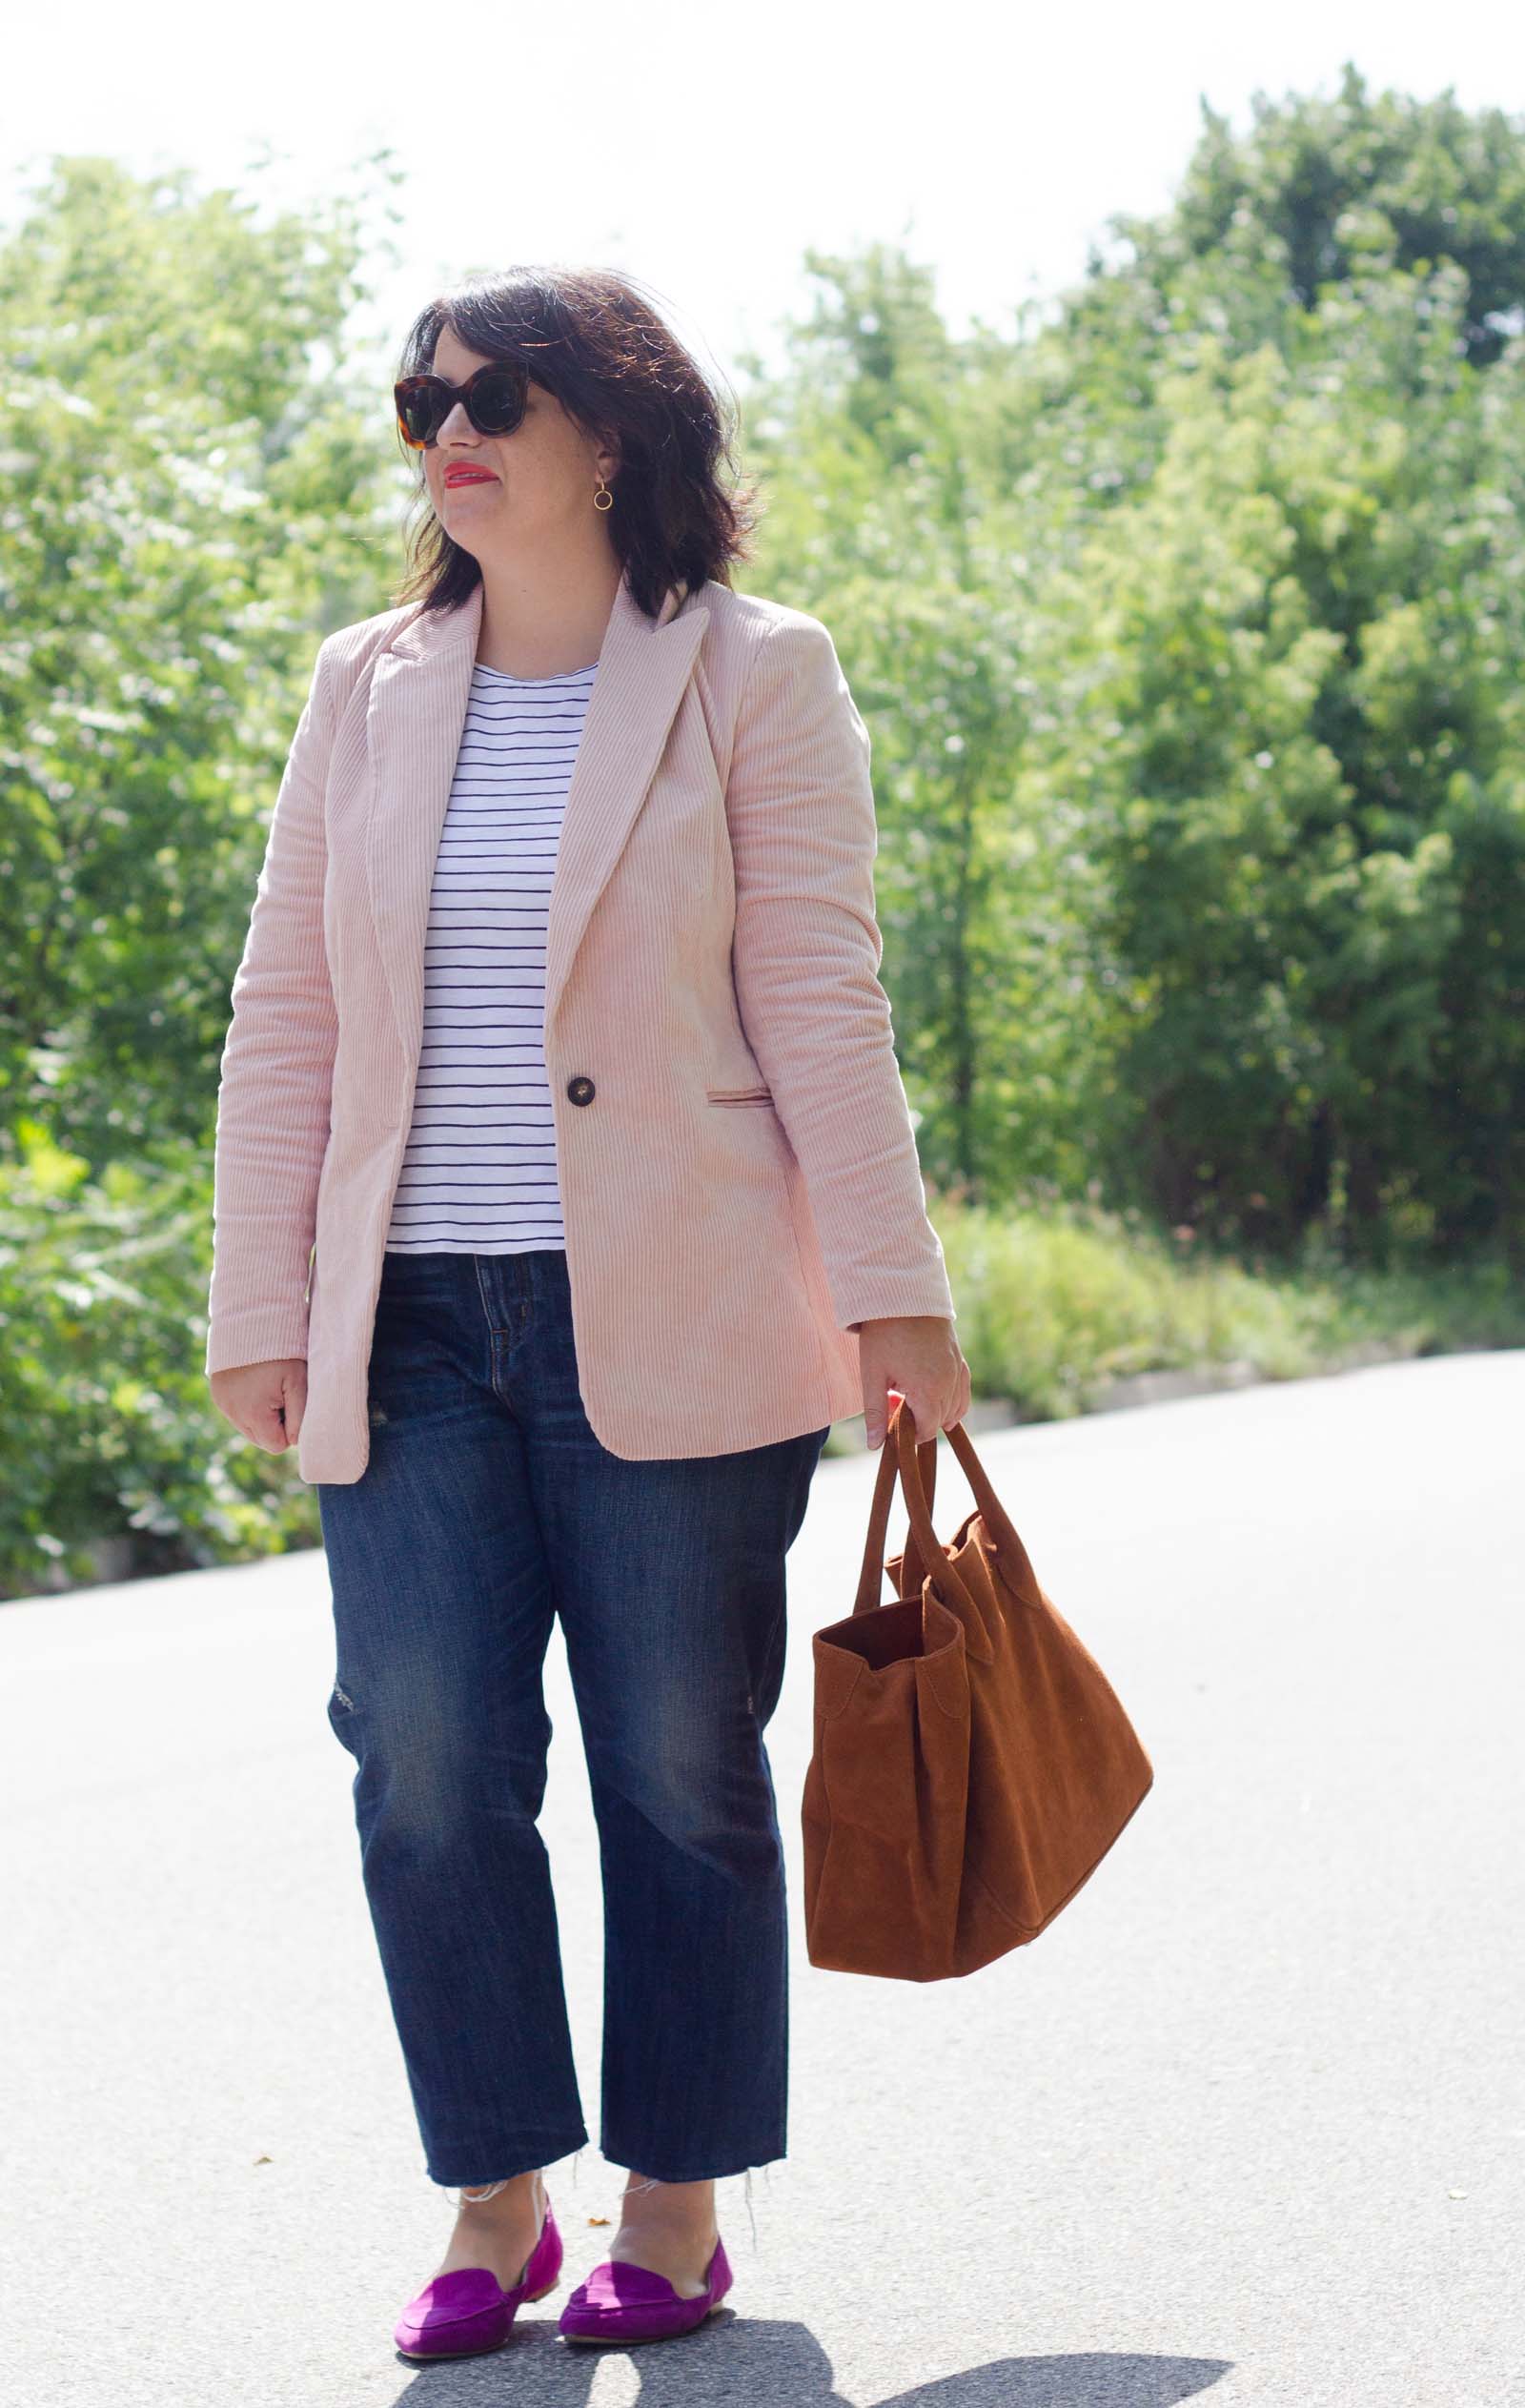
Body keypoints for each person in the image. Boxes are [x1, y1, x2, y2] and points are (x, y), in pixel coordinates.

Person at [205, 264, 969, 2357]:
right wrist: (253, 1298)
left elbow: (818, 996)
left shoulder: (751, 670)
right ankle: (493, 2197)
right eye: (416, 396)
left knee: (674, 1764)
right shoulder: (362, 682)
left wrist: (892, 1302)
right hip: (417, 1322)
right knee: (427, 1766)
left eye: (494, 391)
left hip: (684, 1308)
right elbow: (288, 1014)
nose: (445, 424)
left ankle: (675, 2196)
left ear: (610, 433)